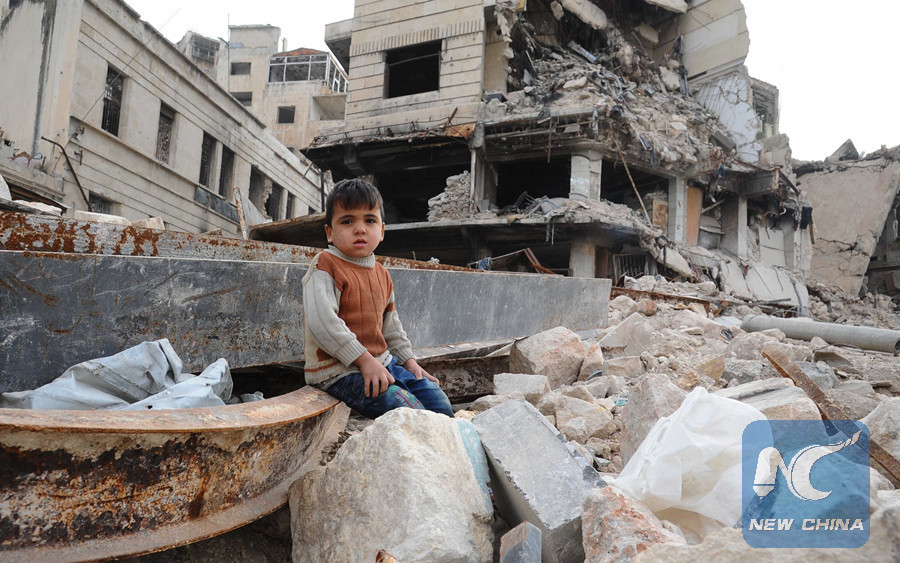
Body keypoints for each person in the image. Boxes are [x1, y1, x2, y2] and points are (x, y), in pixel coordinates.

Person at [301, 178, 454, 419]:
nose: (360, 229)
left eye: (369, 220)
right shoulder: (325, 265)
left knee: (437, 400)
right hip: (339, 372)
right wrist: (364, 361)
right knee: (408, 408)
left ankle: (449, 442)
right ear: (329, 233)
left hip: (382, 363)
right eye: (347, 221)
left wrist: (409, 362)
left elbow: (391, 327)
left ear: (381, 231)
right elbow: (322, 323)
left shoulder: (381, 273)